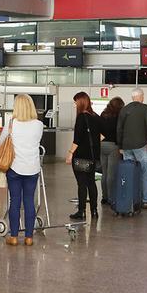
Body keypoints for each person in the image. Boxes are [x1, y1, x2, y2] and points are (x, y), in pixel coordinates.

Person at [0, 95, 44, 246]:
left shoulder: (11, 123)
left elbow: (1, 142)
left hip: (14, 168)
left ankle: (13, 237)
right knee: (29, 201)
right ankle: (29, 237)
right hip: (32, 168)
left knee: (15, 201)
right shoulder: (39, 124)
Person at [117, 88, 147, 209]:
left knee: (130, 172)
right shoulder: (144, 108)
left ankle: (131, 198)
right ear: (141, 96)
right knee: (145, 172)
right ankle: (146, 200)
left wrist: (120, 145)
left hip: (127, 146)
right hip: (141, 145)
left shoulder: (124, 109)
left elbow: (119, 128)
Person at [66, 92, 101, 220]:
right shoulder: (95, 116)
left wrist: (70, 154)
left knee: (81, 183)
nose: (75, 105)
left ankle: (81, 211)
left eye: (76, 102)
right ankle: (94, 211)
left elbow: (77, 140)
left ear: (80, 102)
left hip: (81, 156)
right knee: (91, 183)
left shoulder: (81, 117)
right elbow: (102, 135)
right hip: (92, 156)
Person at [98, 97, 124, 206]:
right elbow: (120, 132)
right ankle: (111, 197)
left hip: (102, 145)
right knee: (111, 174)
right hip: (113, 146)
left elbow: (98, 130)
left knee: (104, 173)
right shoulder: (119, 117)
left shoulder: (103, 115)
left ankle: (104, 197)